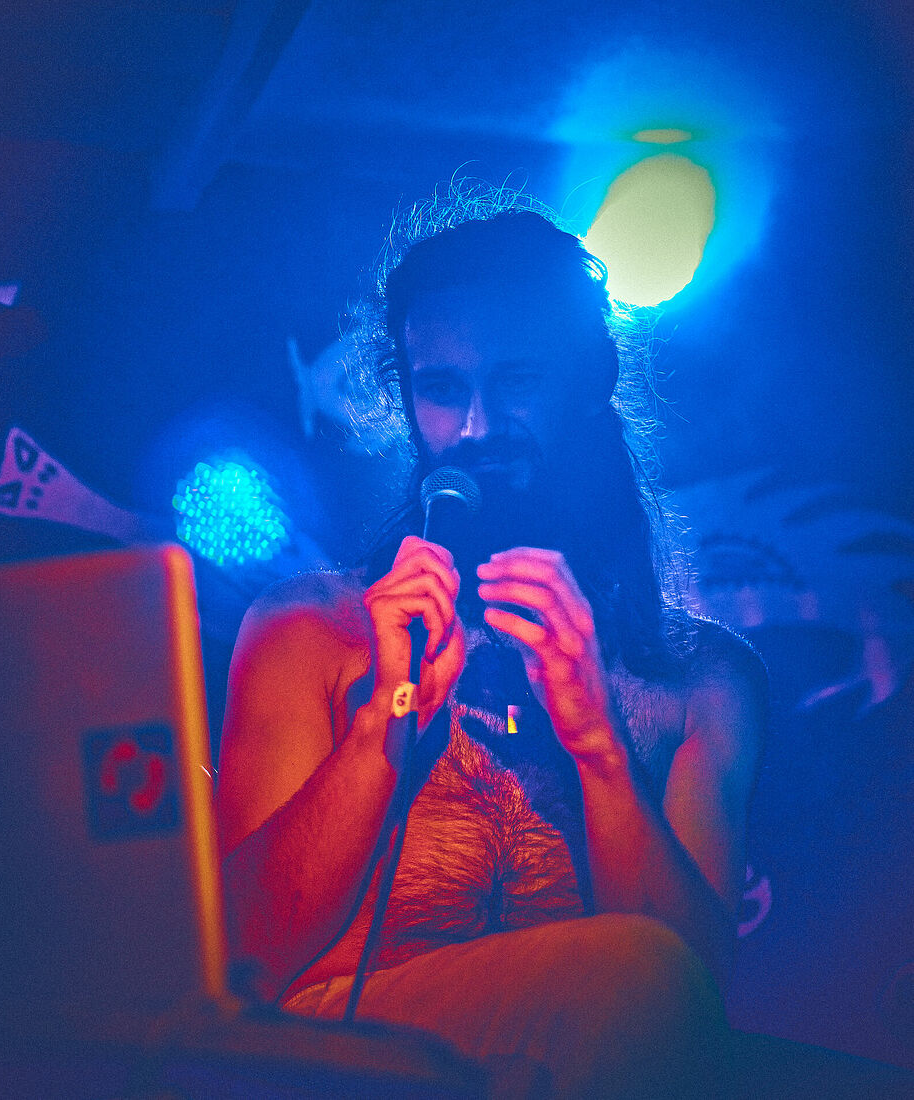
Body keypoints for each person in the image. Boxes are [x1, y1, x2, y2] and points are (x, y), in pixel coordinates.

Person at [216, 196, 767, 1097]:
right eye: (440, 389)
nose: (476, 429)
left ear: (590, 381)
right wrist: (378, 727)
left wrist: (596, 738)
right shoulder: (310, 632)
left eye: (516, 380)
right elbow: (239, 965)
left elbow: (689, 991)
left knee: (633, 975)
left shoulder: (699, 681)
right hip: (335, 1069)